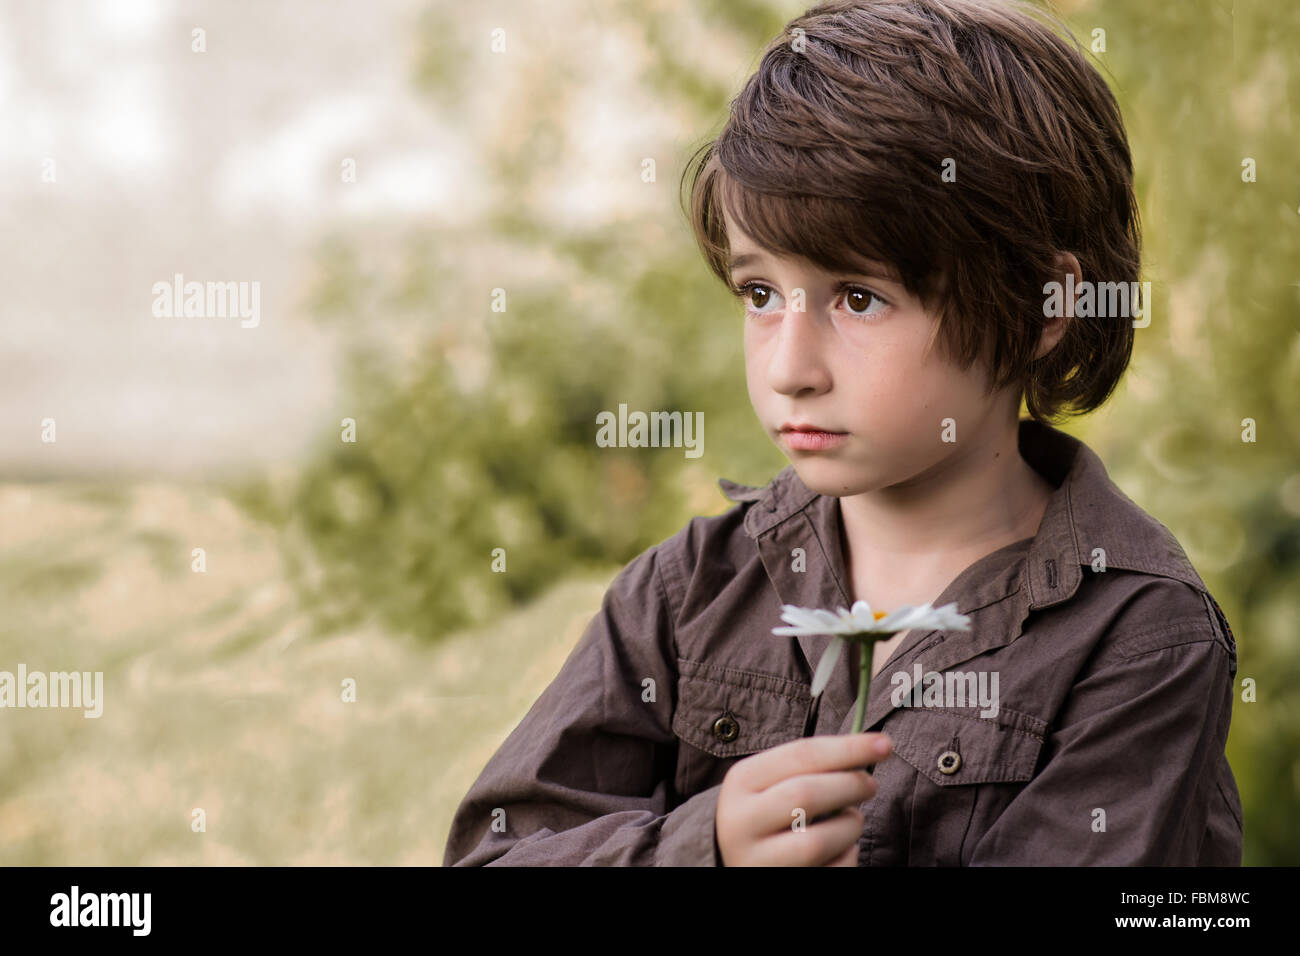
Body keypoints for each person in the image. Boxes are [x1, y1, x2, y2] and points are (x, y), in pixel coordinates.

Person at [442, 0, 1242, 866]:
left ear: (1044, 307)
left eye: (858, 298)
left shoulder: (1140, 641)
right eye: (759, 294)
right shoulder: (687, 593)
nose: (789, 367)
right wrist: (700, 848)